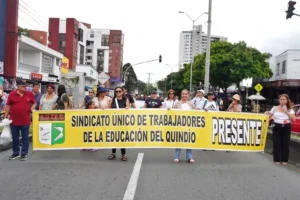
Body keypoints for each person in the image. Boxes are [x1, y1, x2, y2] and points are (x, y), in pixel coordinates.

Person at [4, 80, 36, 161]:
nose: (25, 88)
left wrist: (31, 109)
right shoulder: (12, 94)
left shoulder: (29, 94)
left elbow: (34, 103)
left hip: (25, 120)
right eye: (23, 86)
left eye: (25, 86)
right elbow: (8, 105)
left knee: (25, 138)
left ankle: (24, 153)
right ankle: (16, 153)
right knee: (15, 138)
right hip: (14, 120)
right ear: (18, 87)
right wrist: (5, 116)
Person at [265, 94, 296, 165]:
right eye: (281, 99)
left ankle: (284, 160)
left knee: (285, 143)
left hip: (286, 126)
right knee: (276, 143)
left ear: (287, 100)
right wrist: (267, 114)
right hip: (276, 126)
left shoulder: (290, 109)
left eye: (283, 99)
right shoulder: (275, 108)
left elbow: (293, 118)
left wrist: (286, 111)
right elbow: (269, 114)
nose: (282, 101)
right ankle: (277, 159)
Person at [173, 89, 196, 163]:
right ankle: (177, 157)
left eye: (186, 94)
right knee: (178, 141)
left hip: (189, 126)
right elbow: (172, 113)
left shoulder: (191, 104)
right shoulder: (177, 103)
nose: (184, 95)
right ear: (181, 95)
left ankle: (189, 157)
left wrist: (205, 111)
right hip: (179, 125)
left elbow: (198, 112)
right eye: (183, 94)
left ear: (188, 95)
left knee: (189, 141)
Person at [108, 87, 129, 161]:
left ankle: (123, 154)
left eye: (119, 91)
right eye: (116, 91)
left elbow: (128, 107)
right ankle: (113, 153)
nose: (118, 93)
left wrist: (127, 108)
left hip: (122, 122)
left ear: (122, 92)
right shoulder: (112, 100)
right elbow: (108, 109)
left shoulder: (125, 99)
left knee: (122, 138)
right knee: (114, 138)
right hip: (114, 122)